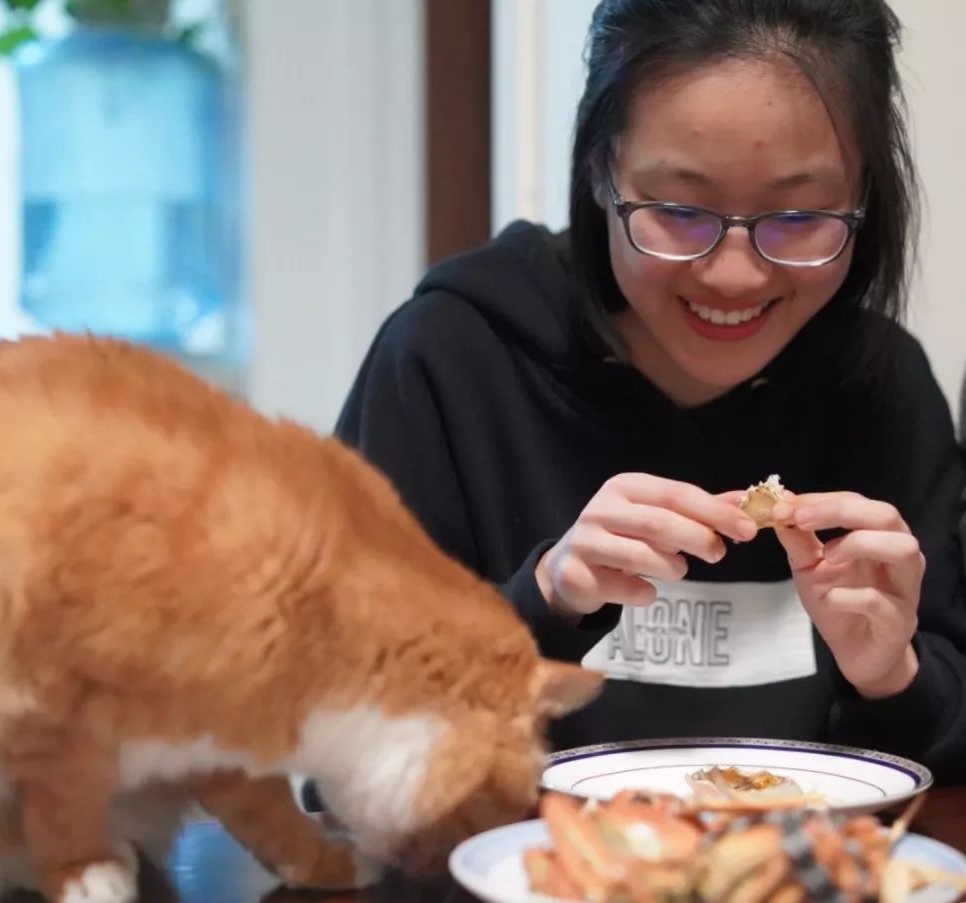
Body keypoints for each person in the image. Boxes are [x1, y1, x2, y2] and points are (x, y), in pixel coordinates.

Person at [335, 0, 966, 779]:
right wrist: (544, 600)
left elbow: (947, 757)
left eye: (800, 215)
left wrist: (891, 677)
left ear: (864, 199)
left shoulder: (886, 389)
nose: (734, 274)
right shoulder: (447, 362)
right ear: (601, 171)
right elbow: (335, 742)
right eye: (676, 210)